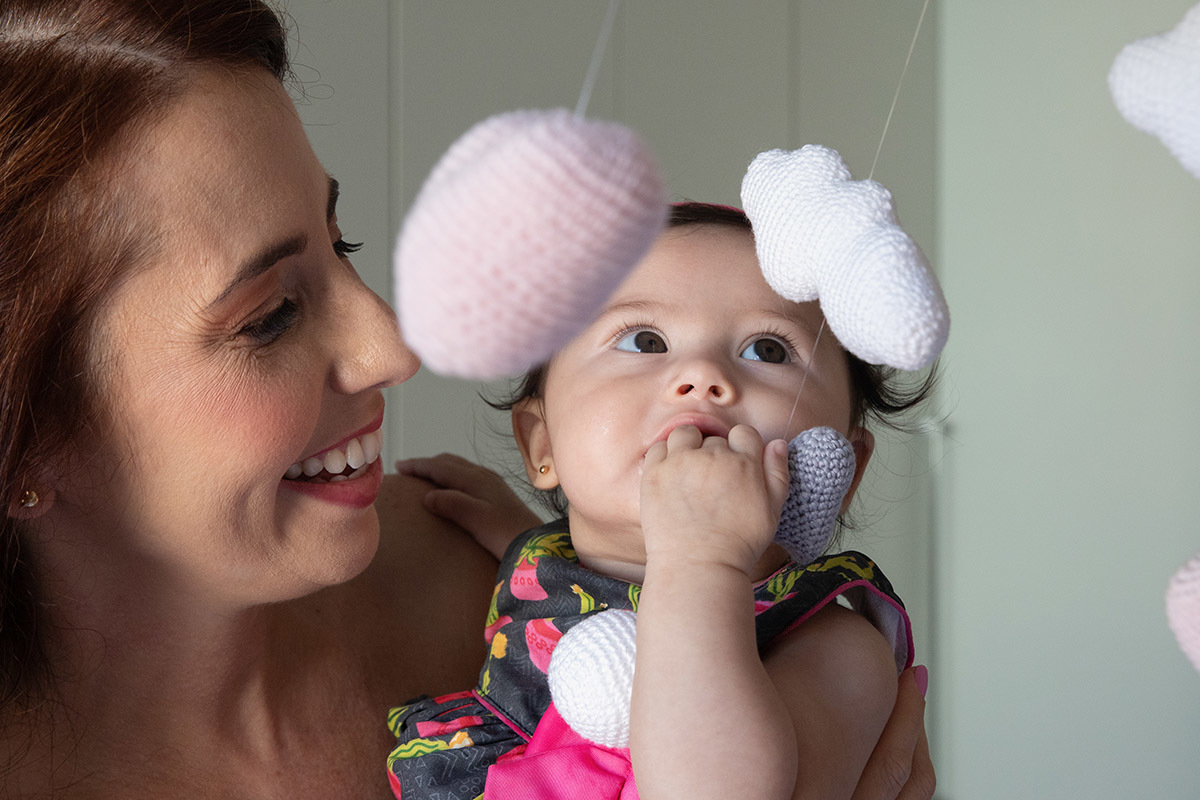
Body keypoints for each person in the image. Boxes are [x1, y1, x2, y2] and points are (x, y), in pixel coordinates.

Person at [0, 2, 933, 797]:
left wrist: (548, 557)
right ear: (31, 441)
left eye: (344, 244)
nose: (392, 345)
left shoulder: (494, 585)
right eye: (272, 315)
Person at [389, 203, 935, 800]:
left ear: (842, 471)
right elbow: (590, 592)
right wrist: (515, 536)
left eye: (768, 351)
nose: (702, 374)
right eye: (644, 339)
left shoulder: (837, 651)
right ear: (542, 445)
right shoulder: (539, 563)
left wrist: (704, 563)